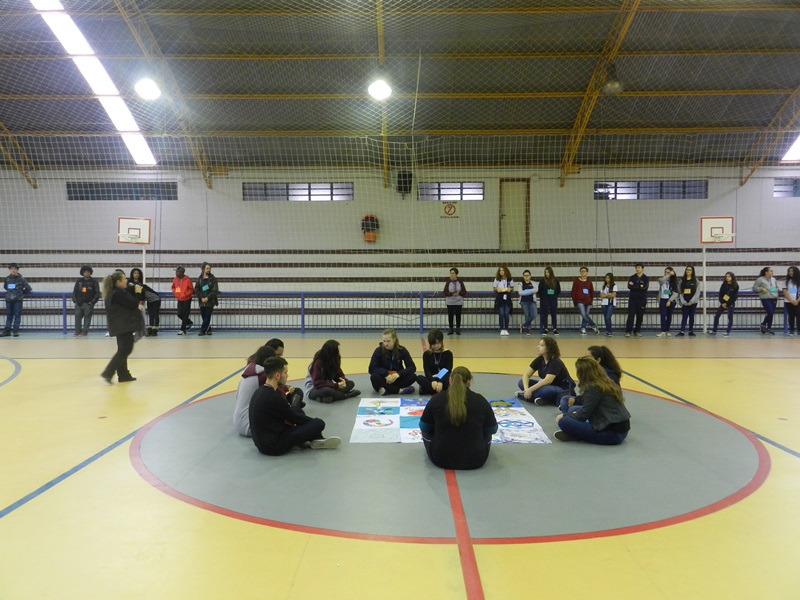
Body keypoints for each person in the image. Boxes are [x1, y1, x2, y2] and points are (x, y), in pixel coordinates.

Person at [249, 357, 341, 455]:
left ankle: (315, 439)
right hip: (273, 446)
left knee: (297, 409)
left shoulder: (260, 391)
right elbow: (295, 418)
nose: (287, 376)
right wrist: (313, 423)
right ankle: (316, 438)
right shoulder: (274, 397)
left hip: (264, 441)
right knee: (319, 423)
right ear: (277, 375)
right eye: (285, 373)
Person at [419, 366, 498, 470]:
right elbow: (492, 429)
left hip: (441, 458)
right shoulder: (480, 400)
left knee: (428, 429)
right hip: (475, 460)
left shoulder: (437, 399)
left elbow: (424, 427)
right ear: (469, 382)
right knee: (486, 432)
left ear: (450, 380)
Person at [554, 356, 631, 445]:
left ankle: (576, 434)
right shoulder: (605, 382)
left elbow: (583, 415)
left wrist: (564, 415)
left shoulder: (593, 388)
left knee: (564, 421)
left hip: (611, 434)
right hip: (621, 430)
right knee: (572, 410)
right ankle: (576, 433)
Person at [100, 271, 143, 384]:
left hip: (120, 325)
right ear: (118, 282)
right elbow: (132, 304)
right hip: (122, 325)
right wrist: (138, 294)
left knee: (123, 349)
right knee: (126, 349)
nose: (126, 281)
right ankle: (108, 372)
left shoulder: (115, 293)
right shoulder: (117, 294)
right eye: (124, 279)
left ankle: (124, 375)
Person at [559, 345, 623, 413]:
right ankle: (568, 415)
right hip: (592, 401)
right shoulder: (591, 373)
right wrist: (576, 400)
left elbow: (594, 398)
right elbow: (588, 395)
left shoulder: (608, 376)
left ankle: (568, 415)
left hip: (602, 407)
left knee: (572, 409)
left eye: (588, 357)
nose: (585, 359)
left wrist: (578, 402)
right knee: (565, 399)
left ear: (598, 360)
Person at [516, 337, 574, 406]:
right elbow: (526, 375)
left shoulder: (555, 362)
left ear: (549, 348)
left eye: (542, 345)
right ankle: (541, 398)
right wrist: (526, 389)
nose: (538, 347)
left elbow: (548, 380)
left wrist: (530, 390)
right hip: (549, 385)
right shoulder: (540, 359)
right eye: (539, 345)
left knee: (545, 390)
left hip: (561, 388)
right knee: (521, 382)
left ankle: (526, 397)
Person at [233, 344, 276, 436]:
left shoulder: (250, 369)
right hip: (250, 426)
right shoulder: (263, 375)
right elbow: (279, 396)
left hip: (238, 421)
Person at [368, 328, 417, 395]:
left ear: (394, 339)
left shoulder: (402, 350)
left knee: (413, 376)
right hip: (384, 378)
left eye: (388, 341)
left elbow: (412, 367)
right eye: (384, 341)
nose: (386, 344)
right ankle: (398, 390)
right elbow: (371, 368)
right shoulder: (379, 350)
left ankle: (385, 389)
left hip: (396, 378)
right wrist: (385, 374)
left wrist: (399, 374)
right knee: (374, 377)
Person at [265, 338, 305, 406]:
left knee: (297, 391)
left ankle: (294, 404)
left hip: (277, 394)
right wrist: (285, 391)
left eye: (280, 355)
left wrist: (287, 388)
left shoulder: (270, 366)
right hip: (272, 400)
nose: (279, 357)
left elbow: (277, 385)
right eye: (277, 355)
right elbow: (273, 390)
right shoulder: (266, 369)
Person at [416, 329, 454, 395]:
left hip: (444, 379)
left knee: (453, 380)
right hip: (432, 379)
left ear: (442, 341)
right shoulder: (426, 354)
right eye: (433, 344)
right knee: (418, 378)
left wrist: (440, 381)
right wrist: (432, 381)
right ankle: (441, 391)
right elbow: (427, 371)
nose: (436, 346)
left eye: (438, 343)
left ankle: (427, 390)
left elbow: (448, 369)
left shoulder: (448, 353)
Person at [2, 263, 32, 337]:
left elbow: (28, 288)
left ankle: (15, 331)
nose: (13, 270)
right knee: (9, 315)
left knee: (17, 315)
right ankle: (7, 331)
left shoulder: (22, 279)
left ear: (17, 270)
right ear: (9, 270)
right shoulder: (7, 278)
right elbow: (5, 287)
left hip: (18, 300)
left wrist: (21, 292)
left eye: (15, 269)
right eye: (11, 269)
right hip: (9, 299)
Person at [72, 265, 100, 336]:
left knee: (87, 318)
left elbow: (97, 293)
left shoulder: (94, 282)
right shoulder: (79, 281)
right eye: (85, 272)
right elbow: (74, 291)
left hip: (88, 303)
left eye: (88, 272)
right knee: (77, 317)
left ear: (90, 273)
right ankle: (77, 331)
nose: (86, 273)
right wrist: (75, 300)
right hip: (79, 303)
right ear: (82, 273)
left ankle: (84, 332)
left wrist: (92, 302)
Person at [570, 266, 599, 335]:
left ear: (587, 272)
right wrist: (575, 302)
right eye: (581, 271)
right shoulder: (576, 281)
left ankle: (583, 328)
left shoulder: (589, 281)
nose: (583, 272)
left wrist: (591, 301)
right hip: (580, 301)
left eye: (584, 271)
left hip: (588, 301)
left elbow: (591, 292)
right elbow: (573, 292)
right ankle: (593, 325)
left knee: (585, 315)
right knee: (583, 314)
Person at [710, 271, 739, 337]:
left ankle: (727, 332)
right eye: (726, 276)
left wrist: (728, 303)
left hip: (730, 304)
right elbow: (720, 294)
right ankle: (714, 330)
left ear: (732, 277)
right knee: (717, 316)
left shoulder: (735, 286)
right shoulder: (723, 285)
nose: (727, 278)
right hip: (723, 303)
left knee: (730, 318)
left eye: (729, 276)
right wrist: (722, 303)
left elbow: (735, 297)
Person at [625, 264, 649, 337]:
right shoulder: (632, 277)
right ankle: (628, 331)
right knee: (631, 315)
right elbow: (629, 286)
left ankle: (637, 331)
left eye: (639, 267)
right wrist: (639, 286)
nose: (637, 269)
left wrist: (634, 285)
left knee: (640, 316)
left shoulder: (645, 278)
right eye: (636, 268)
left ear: (642, 269)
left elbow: (644, 288)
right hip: (632, 299)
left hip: (642, 300)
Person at [753, 267, 779, 335]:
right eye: (771, 271)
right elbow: (755, 288)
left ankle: (769, 328)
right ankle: (763, 324)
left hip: (774, 297)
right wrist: (761, 289)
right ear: (766, 272)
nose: (772, 272)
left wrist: (772, 289)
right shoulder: (760, 279)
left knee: (771, 313)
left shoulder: (774, 279)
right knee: (770, 312)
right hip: (765, 298)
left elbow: (777, 288)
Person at [195, 262, 219, 336]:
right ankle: (208, 329)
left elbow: (215, 290)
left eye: (209, 268)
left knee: (207, 316)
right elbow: (197, 289)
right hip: (201, 301)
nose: (209, 270)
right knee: (204, 317)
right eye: (207, 268)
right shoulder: (199, 279)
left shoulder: (213, 278)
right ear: (203, 269)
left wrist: (207, 297)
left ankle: (202, 330)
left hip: (210, 301)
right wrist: (201, 297)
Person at [676, 265, 700, 337]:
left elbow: (697, 292)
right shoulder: (682, 280)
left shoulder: (696, 280)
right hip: (684, 302)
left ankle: (691, 331)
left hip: (693, 302)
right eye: (687, 269)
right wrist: (683, 301)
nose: (688, 271)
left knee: (691, 316)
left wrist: (691, 301)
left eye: (689, 270)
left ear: (692, 271)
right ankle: (682, 331)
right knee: (684, 316)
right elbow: (679, 291)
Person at [537, 266, 560, 336]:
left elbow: (558, 290)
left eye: (548, 272)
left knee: (553, 314)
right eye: (546, 272)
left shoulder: (555, 280)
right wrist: (543, 297)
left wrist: (554, 296)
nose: (547, 273)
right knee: (545, 314)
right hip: (545, 300)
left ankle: (555, 328)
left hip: (553, 299)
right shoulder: (542, 281)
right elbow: (540, 291)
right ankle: (545, 328)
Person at [656, 267, 679, 337]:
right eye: (665, 272)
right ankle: (663, 330)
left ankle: (667, 330)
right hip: (663, 299)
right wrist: (669, 275)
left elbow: (676, 293)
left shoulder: (675, 281)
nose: (666, 273)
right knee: (663, 315)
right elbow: (662, 280)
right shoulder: (661, 279)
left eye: (668, 272)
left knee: (669, 315)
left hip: (671, 300)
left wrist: (669, 300)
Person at [443, 267, 466, 335]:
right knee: (450, 316)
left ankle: (458, 329)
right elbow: (445, 292)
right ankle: (451, 329)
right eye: (451, 273)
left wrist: (459, 293)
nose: (451, 275)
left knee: (458, 315)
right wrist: (451, 294)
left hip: (458, 302)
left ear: (456, 274)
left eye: (453, 273)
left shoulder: (460, 282)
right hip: (450, 302)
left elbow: (464, 291)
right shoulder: (448, 282)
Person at [171, 266, 194, 335]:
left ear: (181, 272)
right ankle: (189, 322)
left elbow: (191, 290)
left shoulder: (188, 280)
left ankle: (183, 330)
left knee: (185, 314)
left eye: (177, 271)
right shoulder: (175, 279)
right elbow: (173, 287)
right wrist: (176, 293)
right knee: (179, 314)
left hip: (187, 299)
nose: (176, 273)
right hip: (180, 298)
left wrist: (185, 294)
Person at [492, 265, 514, 336]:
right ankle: (501, 329)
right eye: (500, 270)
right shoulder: (497, 279)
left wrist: (510, 289)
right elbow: (494, 288)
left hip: (507, 296)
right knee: (501, 313)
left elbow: (512, 287)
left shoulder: (509, 279)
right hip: (500, 296)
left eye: (503, 270)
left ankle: (506, 329)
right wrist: (497, 289)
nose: (501, 272)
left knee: (506, 313)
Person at [518, 269, 538, 336]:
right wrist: (530, 291)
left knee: (534, 314)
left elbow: (536, 290)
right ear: (523, 276)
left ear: (530, 276)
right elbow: (520, 292)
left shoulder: (533, 283)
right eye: (525, 275)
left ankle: (523, 325)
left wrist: (526, 291)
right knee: (527, 315)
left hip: (532, 301)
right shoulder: (520, 284)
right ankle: (528, 329)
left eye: (528, 275)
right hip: (524, 302)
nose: (526, 276)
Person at [782, 266, 800, 336]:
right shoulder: (785, 280)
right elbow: (785, 292)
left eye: (792, 271)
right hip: (788, 301)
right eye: (789, 271)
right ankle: (791, 331)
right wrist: (791, 301)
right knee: (791, 316)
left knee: (799, 316)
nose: (790, 272)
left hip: (798, 301)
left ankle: (799, 330)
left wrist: (797, 301)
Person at [598, 272, 617, 337]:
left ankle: (609, 331)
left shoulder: (614, 286)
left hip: (611, 303)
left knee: (608, 317)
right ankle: (607, 330)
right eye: (606, 278)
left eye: (608, 278)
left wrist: (605, 295)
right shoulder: (603, 286)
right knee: (605, 317)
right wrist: (608, 294)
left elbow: (613, 295)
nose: (607, 279)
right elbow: (601, 295)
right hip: (604, 303)